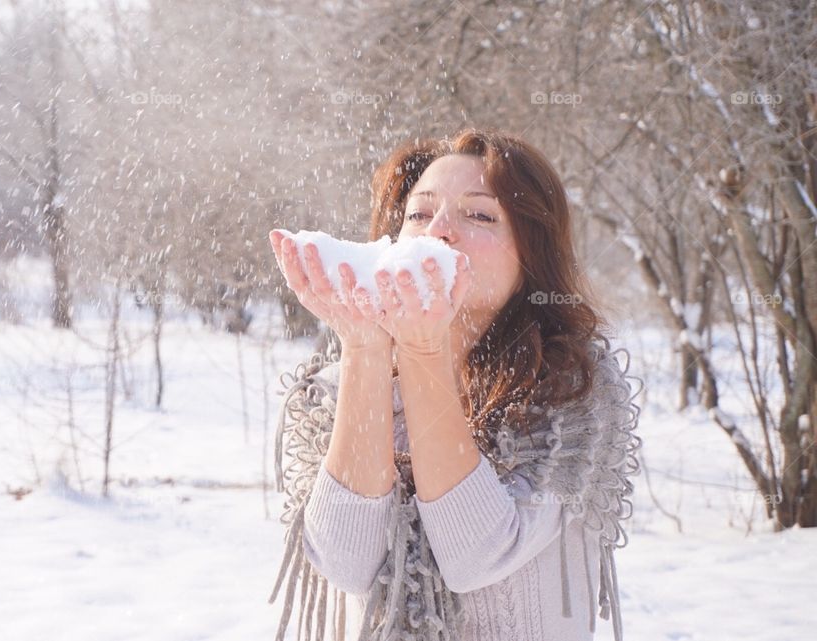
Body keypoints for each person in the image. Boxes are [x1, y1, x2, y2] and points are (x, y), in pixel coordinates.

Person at [267, 128, 643, 641]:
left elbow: (478, 555)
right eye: (419, 214)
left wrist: (424, 351)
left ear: (532, 254)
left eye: (479, 215)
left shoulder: (574, 393)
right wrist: (363, 349)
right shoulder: (333, 390)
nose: (438, 230)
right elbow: (345, 562)